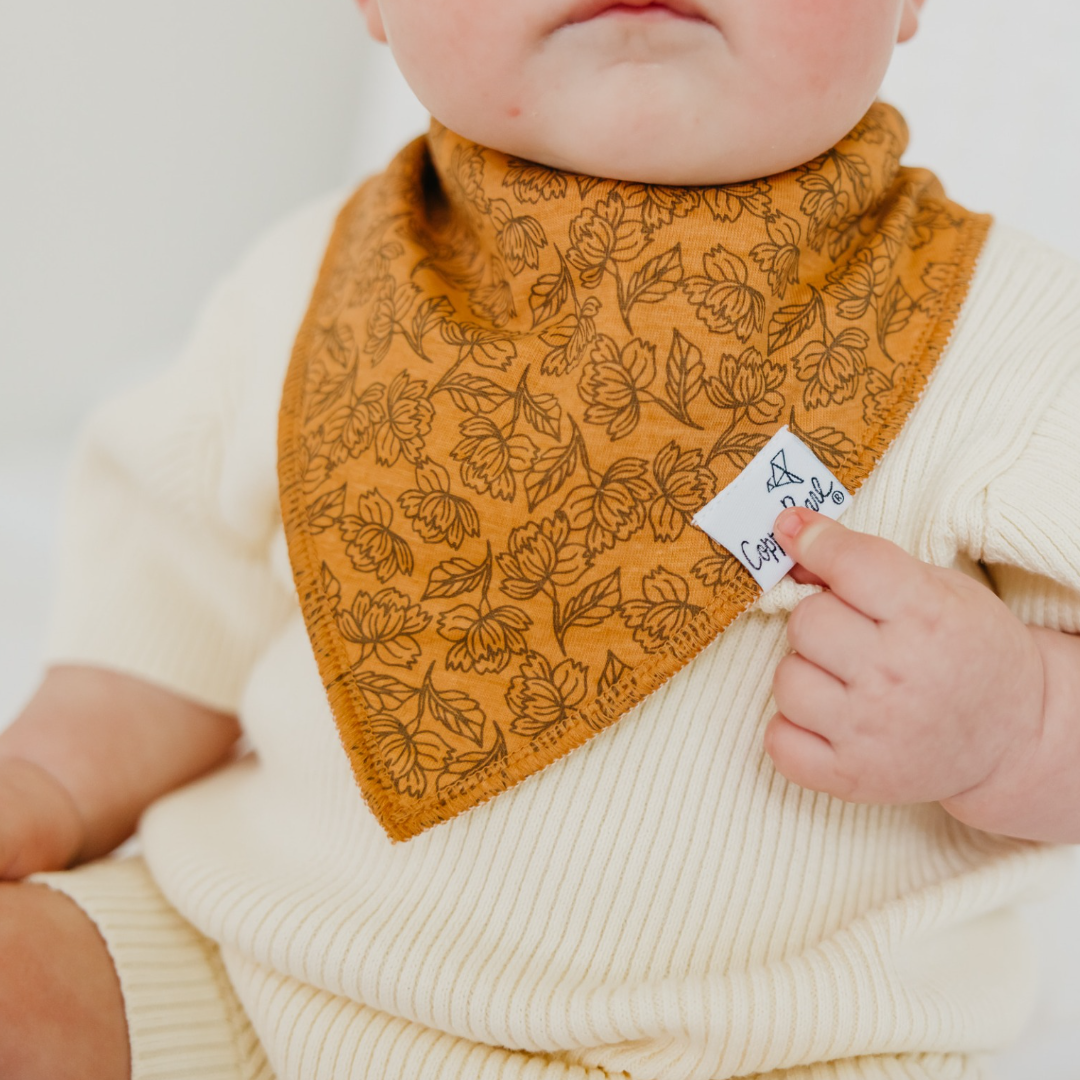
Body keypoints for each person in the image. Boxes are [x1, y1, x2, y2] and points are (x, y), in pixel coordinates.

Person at [2, 1, 1079, 1077]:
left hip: (755, 1052)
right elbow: (169, 620)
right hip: (247, 970)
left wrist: (1016, 720)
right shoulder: (307, 280)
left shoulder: (1016, 340)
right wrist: (46, 783)